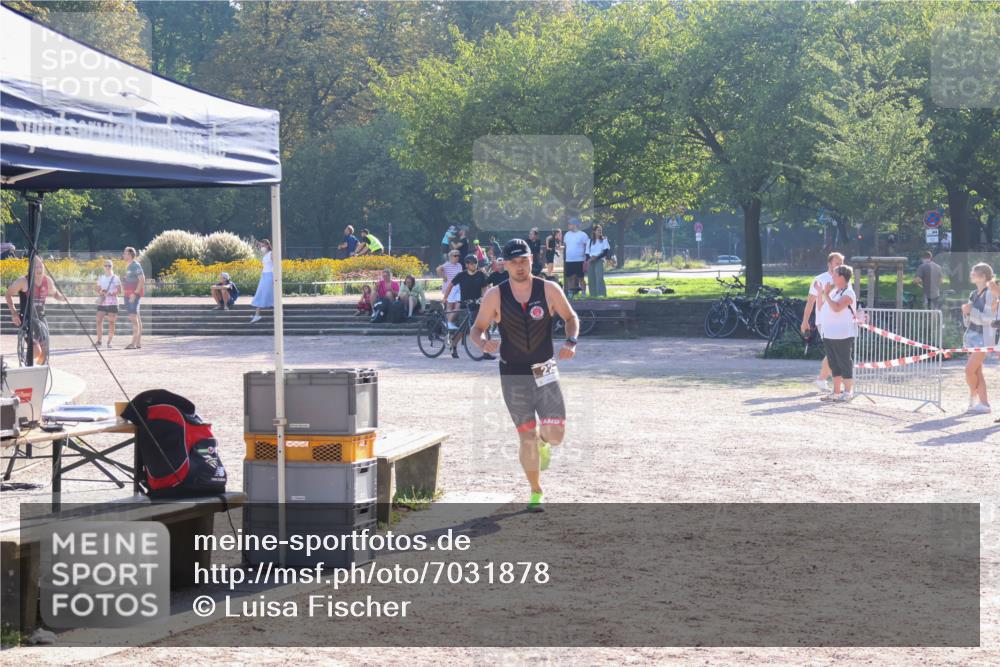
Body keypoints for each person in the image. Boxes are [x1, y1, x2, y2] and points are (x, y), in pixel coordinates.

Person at [471, 238, 579, 512]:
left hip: (544, 368)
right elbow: (477, 329)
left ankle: (544, 442)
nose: (520, 267)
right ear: (504, 264)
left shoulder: (549, 289)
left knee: (555, 434)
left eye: (524, 261)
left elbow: (570, 317)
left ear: (532, 260)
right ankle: (536, 491)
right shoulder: (495, 295)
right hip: (513, 373)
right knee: (526, 436)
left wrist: (570, 342)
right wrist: (484, 343)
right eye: (514, 262)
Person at [5, 256, 67, 364]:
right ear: (31, 268)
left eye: (41, 266)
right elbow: (8, 294)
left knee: (45, 352)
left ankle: (37, 371)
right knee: (36, 351)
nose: (39, 269)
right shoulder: (23, 281)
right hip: (27, 319)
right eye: (36, 266)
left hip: (41, 318)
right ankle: (25, 363)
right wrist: (14, 313)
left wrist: (62, 298)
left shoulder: (47, 280)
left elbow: (55, 294)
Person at [801, 251, 845, 393]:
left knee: (835, 350)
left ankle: (823, 379)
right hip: (824, 320)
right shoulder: (819, 279)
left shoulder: (844, 279)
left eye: (841, 263)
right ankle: (838, 381)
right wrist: (805, 321)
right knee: (834, 350)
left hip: (840, 319)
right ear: (829, 264)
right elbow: (810, 303)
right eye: (837, 263)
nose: (840, 265)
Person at [814, 265, 857, 402]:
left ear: (842, 277)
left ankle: (848, 392)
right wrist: (820, 293)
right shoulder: (834, 292)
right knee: (833, 364)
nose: (832, 277)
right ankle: (836, 391)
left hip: (842, 334)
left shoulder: (848, 293)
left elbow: (837, 308)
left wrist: (826, 294)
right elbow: (821, 307)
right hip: (829, 333)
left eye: (834, 274)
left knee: (844, 362)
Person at [962, 262, 996, 415]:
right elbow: (968, 320)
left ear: (983, 276)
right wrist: (966, 312)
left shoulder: (990, 293)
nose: (971, 275)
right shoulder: (972, 294)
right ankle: (984, 404)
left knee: (969, 370)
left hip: (984, 338)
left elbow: (988, 319)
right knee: (977, 372)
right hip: (971, 336)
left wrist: (971, 311)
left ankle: (974, 396)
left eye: (974, 273)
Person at [443, 254, 490, 359]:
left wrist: (484, 297)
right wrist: (445, 298)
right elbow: (451, 285)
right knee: (462, 329)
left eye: (476, 263)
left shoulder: (481, 275)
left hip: (477, 304)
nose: (474, 265)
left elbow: (484, 287)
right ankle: (454, 345)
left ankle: (486, 352)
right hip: (465, 305)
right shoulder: (461, 275)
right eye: (472, 263)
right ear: (467, 265)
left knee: (483, 328)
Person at [122, 246, 146, 349]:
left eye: (125, 253)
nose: (123, 255)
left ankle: (133, 343)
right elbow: (135, 279)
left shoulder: (135, 265)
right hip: (129, 294)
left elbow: (142, 279)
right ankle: (138, 343)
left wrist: (135, 293)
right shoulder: (129, 266)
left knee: (133, 318)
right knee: (136, 317)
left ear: (130, 254)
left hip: (133, 296)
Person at [94, 259, 121, 348]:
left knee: (111, 322)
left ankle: (109, 342)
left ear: (112, 267)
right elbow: (97, 289)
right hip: (103, 301)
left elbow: (119, 290)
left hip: (112, 302)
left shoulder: (115, 277)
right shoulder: (101, 277)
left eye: (109, 266)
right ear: (103, 267)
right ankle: (99, 341)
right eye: (106, 265)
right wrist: (101, 292)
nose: (107, 267)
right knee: (98, 320)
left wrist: (111, 293)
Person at [436, 249, 464, 331]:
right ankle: (448, 324)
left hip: (458, 287)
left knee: (458, 306)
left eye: (458, 255)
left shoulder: (459, 265)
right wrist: (443, 276)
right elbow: (438, 269)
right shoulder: (447, 264)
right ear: (450, 256)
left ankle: (448, 322)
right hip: (449, 288)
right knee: (449, 306)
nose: (457, 257)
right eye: (455, 255)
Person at [562, 218, 589, 296]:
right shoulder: (567, 234)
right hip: (569, 260)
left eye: (570, 224)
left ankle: (584, 294)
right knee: (570, 278)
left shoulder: (583, 235)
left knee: (581, 278)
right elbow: (566, 246)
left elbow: (586, 247)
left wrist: (585, 259)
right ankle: (570, 294)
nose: (568, 225)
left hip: (579, 260)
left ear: (575, 225)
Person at [250, 239, 274, 324]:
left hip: (270, 275)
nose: (261, 247)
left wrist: (275, 278)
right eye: (261, 246)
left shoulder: (271, 253)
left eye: (262, 246)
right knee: (260, 293)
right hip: (264, 275)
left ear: (267, 245)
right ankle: (257, 314)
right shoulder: (265, 255)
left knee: (269, 294)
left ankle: (280, 312)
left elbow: (275, 266)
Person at [586, 224, 611, 297]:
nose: (600, 231)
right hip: (591, 261)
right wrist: (589, 259)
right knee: (591, 279)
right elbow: (587, 252)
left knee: (599, 278)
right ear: (594, 231)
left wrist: (596, 257)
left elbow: (605, 252)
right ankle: (593, 295)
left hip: (599, 260)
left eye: (601, 230)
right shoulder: (589, 241)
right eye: (598, 230)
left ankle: (601, 295)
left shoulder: (604, 239)